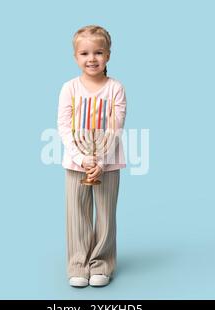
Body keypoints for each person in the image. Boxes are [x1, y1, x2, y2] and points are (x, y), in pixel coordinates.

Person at [57, 25, 127, 287]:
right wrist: (82, 158)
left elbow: (115, 126)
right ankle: (77, 264)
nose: (92, 58)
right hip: (76, 162)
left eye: (98, 52)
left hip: (107, 162)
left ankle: (101, 263)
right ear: (76, 57)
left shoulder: (115, 88)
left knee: (106, 213)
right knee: (77, 213)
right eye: (84, 53)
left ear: (108, 55)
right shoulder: (69, 88)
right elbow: (64, 126)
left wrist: (100, 160)